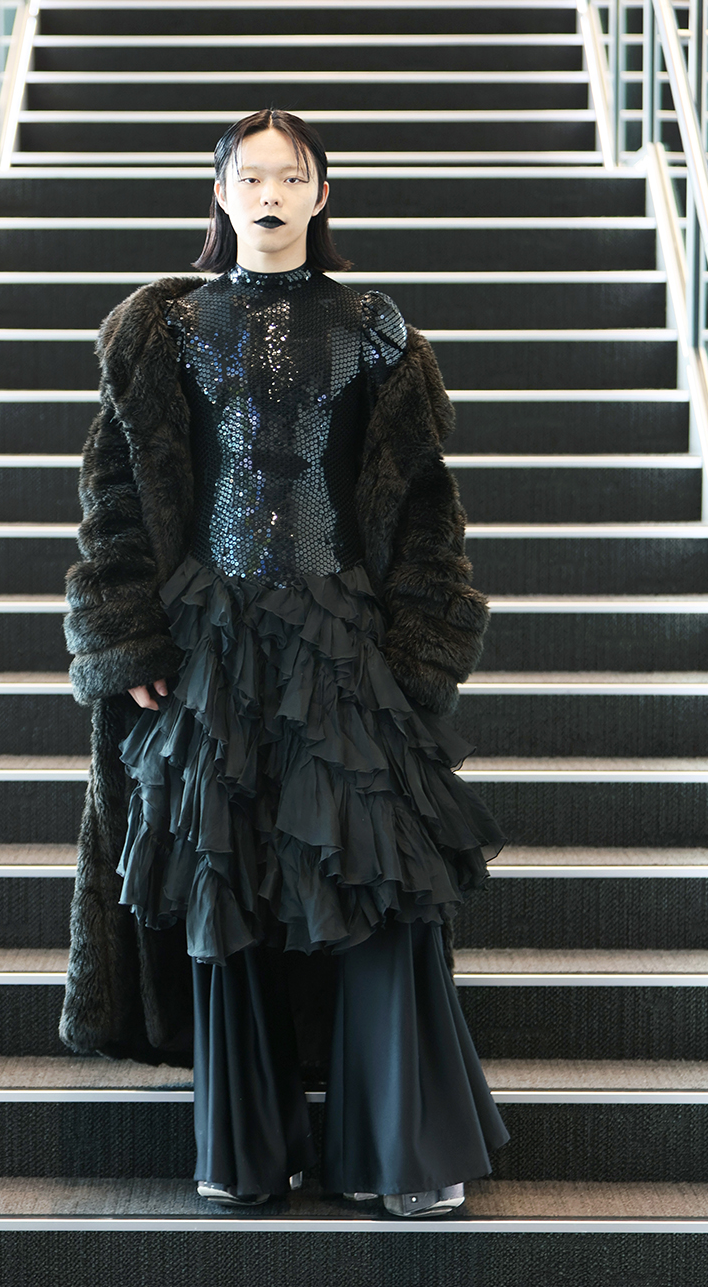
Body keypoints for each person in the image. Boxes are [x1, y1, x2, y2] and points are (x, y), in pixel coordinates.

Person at [62, 109, 510, 1218]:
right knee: (226, 882)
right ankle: (247, 1147)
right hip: (208, 641)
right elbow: (115, 495)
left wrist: (421, 649)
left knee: (380, 878)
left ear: (321, 194)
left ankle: (403, 1153)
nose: (269, 194)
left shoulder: (377, 329)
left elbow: (424, 510)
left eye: (291, 176)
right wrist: (124, 636)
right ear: (220, 193)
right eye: (250, 176)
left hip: (342, 640)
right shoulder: (160, 329)